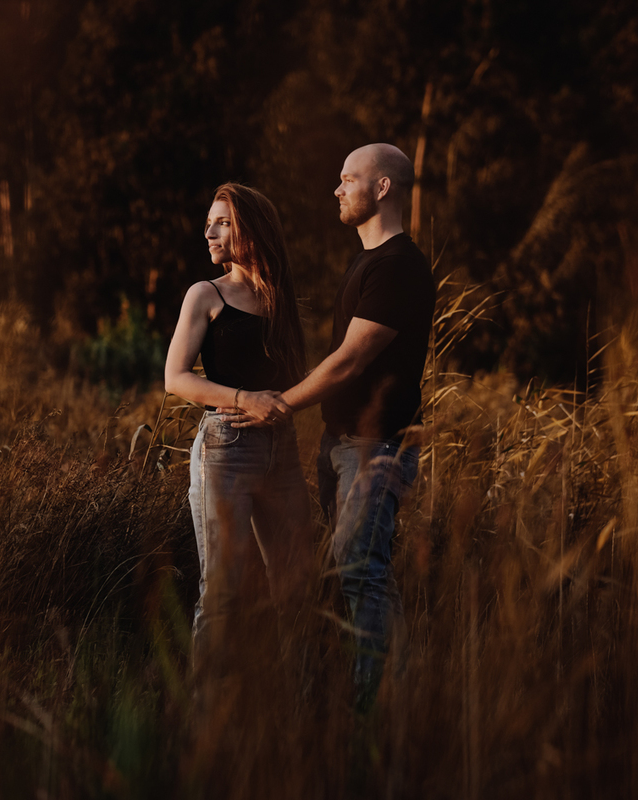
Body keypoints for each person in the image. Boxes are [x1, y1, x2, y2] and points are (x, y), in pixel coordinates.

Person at [222, 144, 435, 710]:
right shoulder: (367, 262)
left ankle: (378, 708)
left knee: (359, 569)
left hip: (376, 447)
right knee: (359, 573)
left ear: (382, 188)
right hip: (342, 446)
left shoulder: (399, 266)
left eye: (347, 179)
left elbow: (350, 360)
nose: (336, 190)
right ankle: (382, 695)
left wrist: (280, 403)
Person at [163, 183, 312, 672]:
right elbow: (175, 378)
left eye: (222, 222)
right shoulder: (206, 294)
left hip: (282, 451)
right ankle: (207, 726)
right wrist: (244, 399)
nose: (209, 232)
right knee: (224, 592)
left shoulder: (280, 298)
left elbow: (292, 377)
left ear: (253, 227)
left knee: (297, 587)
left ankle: (299, 717)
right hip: (225, 448)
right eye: (209, 223)